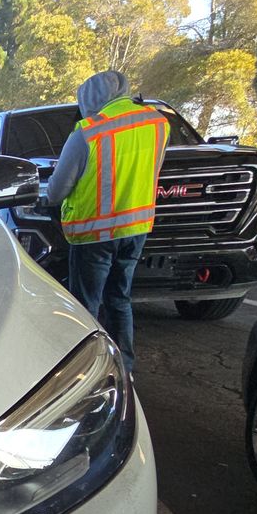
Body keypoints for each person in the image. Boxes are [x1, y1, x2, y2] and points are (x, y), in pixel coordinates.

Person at [43, 70, 167, 372]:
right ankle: (124, 367)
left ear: (89, 100)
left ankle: (87, 372)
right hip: (136, 227)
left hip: (94, 234)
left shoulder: (86, 133)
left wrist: (47, 196)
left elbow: (56, 192)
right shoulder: (156, 124)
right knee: (120, 299)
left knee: (87, 306)